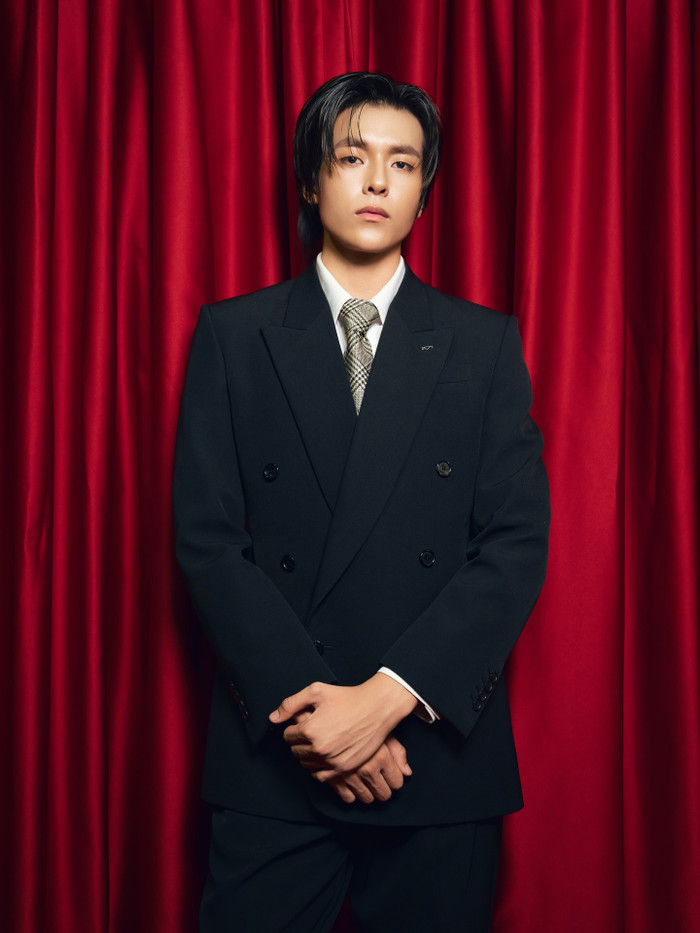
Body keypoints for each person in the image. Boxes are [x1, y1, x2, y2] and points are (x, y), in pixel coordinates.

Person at [174, 71, 549, 932]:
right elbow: (208, 542)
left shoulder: (482, 343)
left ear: (424, 189)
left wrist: (385, 701)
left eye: (403, 163)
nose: (378, 180)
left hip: (434, 759)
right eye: (352, 157)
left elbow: (514, 542)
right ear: (312, 179)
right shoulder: (233, 335)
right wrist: (321, 720)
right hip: (278, 756)